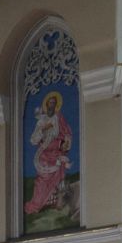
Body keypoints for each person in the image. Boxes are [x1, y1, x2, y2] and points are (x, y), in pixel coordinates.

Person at [23, 90, 73, 223]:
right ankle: (38, 204)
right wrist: (43, 129)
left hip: (56, 151)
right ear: (46, 105)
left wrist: (65, 143)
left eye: (53, 103)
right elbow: (33, 140)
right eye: (49, 103)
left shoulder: (59, 118)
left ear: (56, 105)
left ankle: (56, 203)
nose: (51, 105)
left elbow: (67, 133)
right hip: (44, 154)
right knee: (41, 180)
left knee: (57, 178)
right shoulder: (42, 121)